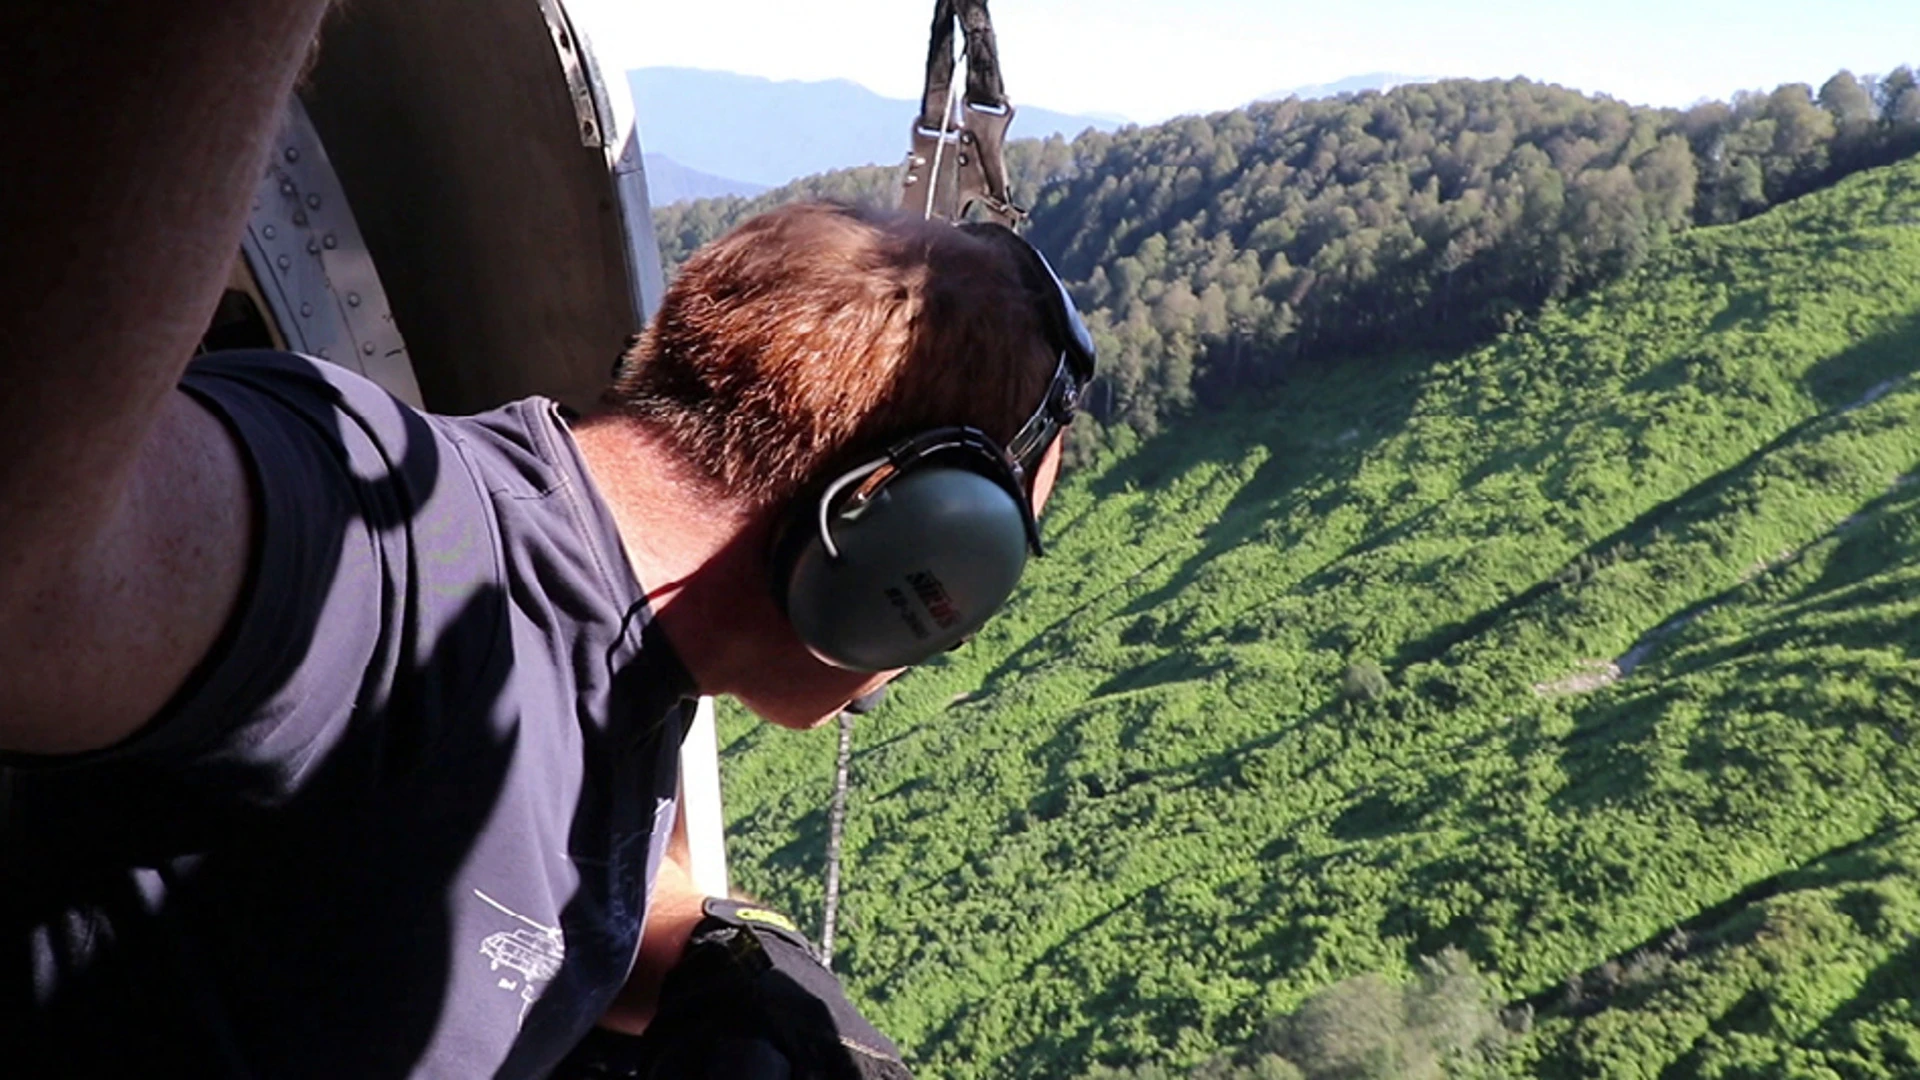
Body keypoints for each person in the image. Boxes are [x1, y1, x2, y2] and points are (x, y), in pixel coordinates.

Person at [0, 2, 1093, 1078]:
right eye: (987, 558)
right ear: (902, 524)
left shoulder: (632, 646)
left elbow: (483, 877)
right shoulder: (404, 544)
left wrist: (724, 958)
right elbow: (29, 587)